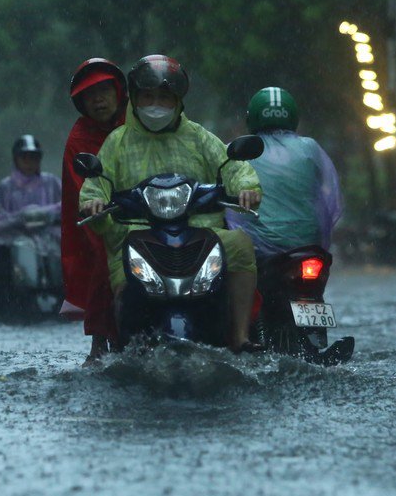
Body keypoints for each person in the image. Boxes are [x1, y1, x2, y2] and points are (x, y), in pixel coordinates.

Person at [78, 54, 263, 352]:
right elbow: (96, 184)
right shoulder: (117, 141)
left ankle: (240, 336)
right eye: (148, 97)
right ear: (134, 99)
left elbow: (234, 167)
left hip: (201, 236)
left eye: (164, 98)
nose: (156, 105)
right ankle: (125, 345)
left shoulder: (199, 137)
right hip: (134, 237)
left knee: (241, 244)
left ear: (178, 102)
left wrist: (246, 189)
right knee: (124, 282)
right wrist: (94, 202)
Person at [61, 58, 127, 363]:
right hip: (98, 218)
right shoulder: (79, 138)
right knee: (105, 258)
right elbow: (81, 189)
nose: (99, 99)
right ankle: (100, 341)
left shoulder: (138, 123)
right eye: (91, 94)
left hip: (150, 208)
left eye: (104, 90)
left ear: (118, 92)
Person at [227, 87, 342, 257]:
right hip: (308, 241)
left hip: (259, 246)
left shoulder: (239, 148)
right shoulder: (310, 147)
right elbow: (324, 190)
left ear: (251, 116)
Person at [0, 136, 62, 275]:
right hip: (13, 245)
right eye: (24, 158)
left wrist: (47, 214)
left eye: (34, 158)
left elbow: (70, 204)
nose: (29, 163)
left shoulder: (51, 183)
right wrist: (18, 219)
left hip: (51, 245)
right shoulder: (5, 186)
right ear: (16, 159)